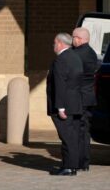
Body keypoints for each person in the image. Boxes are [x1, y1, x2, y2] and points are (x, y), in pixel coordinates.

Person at [47, 33, 83, 176]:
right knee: (72, 137)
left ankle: (68, 167)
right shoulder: (75, 57)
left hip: (65, 106)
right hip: (75, 104)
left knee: (66, 137)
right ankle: (73, 166)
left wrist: (60, 107)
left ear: (61, 43)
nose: (53, 45)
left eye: (54, 42)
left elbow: (60, 85)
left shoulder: (61, 60)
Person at [72, 27, 98, 172]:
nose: (72, 40)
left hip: (79, 97)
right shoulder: (92, 53)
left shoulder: (76, 54)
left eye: (73, 37)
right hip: (88, 96)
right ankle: (85, 162)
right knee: (84, 131)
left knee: (77, 131)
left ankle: (78, 161)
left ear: (79, 39)